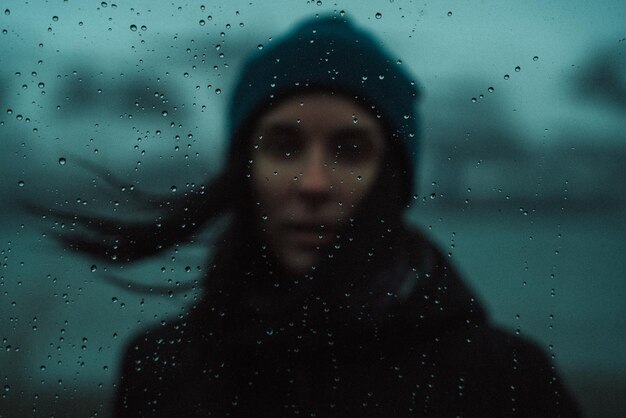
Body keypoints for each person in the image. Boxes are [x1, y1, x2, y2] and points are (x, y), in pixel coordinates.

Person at [54, 14, 581, 417]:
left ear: (392, 180)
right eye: (284, 147)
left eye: (350, 150)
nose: (313, 183)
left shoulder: (503, 379)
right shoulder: (162, 370)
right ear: (245, 169)